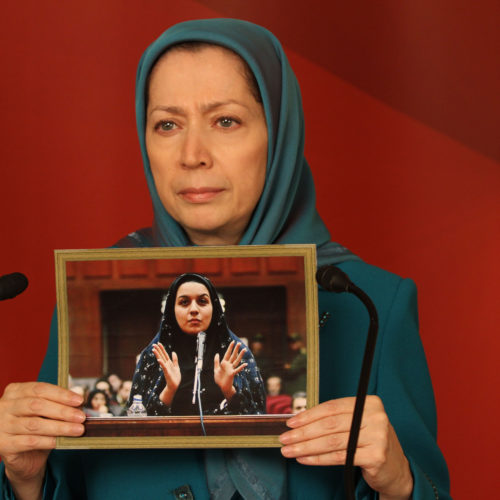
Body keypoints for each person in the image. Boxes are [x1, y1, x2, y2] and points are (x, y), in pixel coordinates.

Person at [0, 18, 450, 499]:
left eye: (225, 121)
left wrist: (400, 483)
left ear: (277, 134)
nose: (192, 154)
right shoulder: (89, 295)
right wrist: (24, 478)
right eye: (167, 124)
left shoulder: (369, 302)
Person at [129, 273, 265, 416]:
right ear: (171, 309)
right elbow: (137, 422)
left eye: (202, 301)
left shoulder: (235, 351)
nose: (194, 309)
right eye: (184, 302)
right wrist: (169, 389)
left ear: (215, 307)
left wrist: (228, 390)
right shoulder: (155, 353)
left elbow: (256, 418)